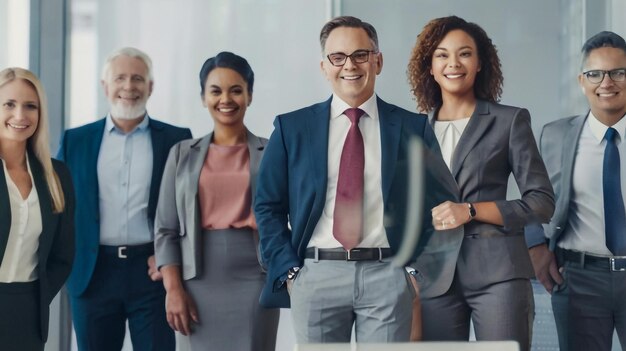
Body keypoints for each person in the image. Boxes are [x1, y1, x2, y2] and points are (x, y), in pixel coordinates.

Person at [254, 15, 454, 343]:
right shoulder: (292, 129)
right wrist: (291, 272)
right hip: (316, 274)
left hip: (387, 274)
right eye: (338, 57)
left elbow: (439, 201)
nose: (350, 65)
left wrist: (416, 270)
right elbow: (267, 206)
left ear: (378, 61)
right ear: (324, 66)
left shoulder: (411, 128)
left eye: (361, 54)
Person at [407, 16, 555, 351]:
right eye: (442, 55)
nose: (453, 63)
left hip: (498, 274)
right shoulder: (413, 130)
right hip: (434, 277)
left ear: (479, 64)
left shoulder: (509, 120)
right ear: (430, 67)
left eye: (464, 54)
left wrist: (471, 210)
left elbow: (542, 201)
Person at [56, 47, 192, 351]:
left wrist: (173, 258)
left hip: (152, 273)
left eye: (137, 78)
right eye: (120, 78)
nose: (129, 86)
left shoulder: (177, 139)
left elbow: (191, 209)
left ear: (150, 87)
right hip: (92, 273)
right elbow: (57, 208)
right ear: (105, 86)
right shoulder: (75, 141)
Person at [154, 51, 279, 351]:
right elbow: (165, 230)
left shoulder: (273, 150)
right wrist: (173, 289)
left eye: (236, 90)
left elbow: (287, 215)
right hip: (194, 279)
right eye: (216, 91)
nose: (226, 99)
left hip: (256, 276)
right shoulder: (181, 154)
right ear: (203, 98)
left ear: (249, 95)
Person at [526, 31, 626, 351]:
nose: (606, 83)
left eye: (618, 73)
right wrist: (536, 247)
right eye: (595, 74)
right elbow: (531, 195)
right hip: (581, 279)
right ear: (582, 81)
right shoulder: (555, 135)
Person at [0, 67, 75, 351]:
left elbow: (63, 255)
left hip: (28, 314)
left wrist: (37, 298)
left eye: (30, 106)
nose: (20, 115)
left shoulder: (57, 176)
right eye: (9, 104)